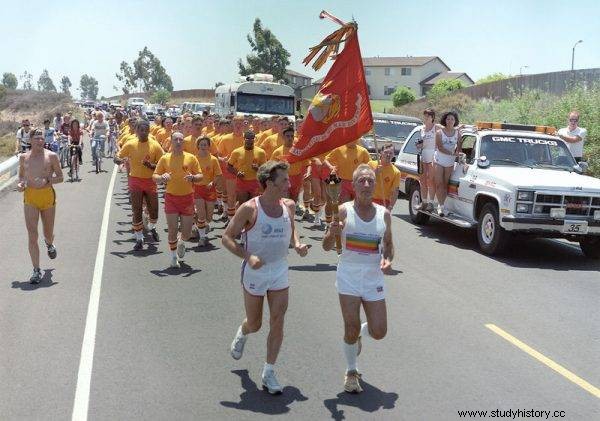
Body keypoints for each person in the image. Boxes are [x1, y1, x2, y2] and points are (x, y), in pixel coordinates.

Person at [222, 160, 308, 395]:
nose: (289, 184)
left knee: (278, 319)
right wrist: (248, 256)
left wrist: (297, 244)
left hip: (279, 270)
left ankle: (269, 371)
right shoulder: (250, 209)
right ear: (269, 183)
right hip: (255, 272)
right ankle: (243, 331)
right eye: (284, 180)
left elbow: (291, 228)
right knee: (256, 323)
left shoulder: (289, 205)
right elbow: (227, 237)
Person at [322, 164, 393, 393]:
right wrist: (331, 234)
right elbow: (325, 246)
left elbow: (390, 247)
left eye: (370, 181)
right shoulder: (342, 211)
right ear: (353, 185)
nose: (366, 185)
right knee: (349, 326)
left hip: (373, 278)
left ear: (374, 185)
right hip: (349, 275)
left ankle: (359, 335)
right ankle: (351, 372)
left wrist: (388, 260)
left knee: (379, 331)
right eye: (361, 181)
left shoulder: (384, 214)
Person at [16, 129, 64, 284]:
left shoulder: (51, 156)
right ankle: (36, 270)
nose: (39, 141)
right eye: (36, 138)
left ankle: (49, 243)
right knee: (32, 235)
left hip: (47, 197)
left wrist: (47, 181)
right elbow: (21, 177)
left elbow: (61, 177)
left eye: (41, 138)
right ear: (30, 140)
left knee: (47, 233)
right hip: (30, 198)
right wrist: (21, 184)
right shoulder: (24, 157)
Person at [153, 132, 202, 268]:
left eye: (181, 139)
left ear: (183, 142)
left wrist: (193, 177)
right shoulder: (165, 158)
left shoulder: (191, 158)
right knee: (172, 229)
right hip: (171, 198)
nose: (179, 142)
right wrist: (162, 177)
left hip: (187, 199)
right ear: (171, 142)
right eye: (176, 140)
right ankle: (173, 257)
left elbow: (200, 175)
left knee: (186, 233)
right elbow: (155, 176)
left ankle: (181, 241)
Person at [115, 120, 163, 250]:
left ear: (149, 131)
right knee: (136, 210)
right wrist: (120, 160)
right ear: (136, 131)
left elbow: (162, 164)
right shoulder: (130, 144)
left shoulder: (155, 146)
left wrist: (150, 165)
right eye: (141, 130)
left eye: (146, 130)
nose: (143, 132)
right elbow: (117, 157)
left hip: (150, 181)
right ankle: (139, 238)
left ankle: (152, 227)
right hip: (135, 180)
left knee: (154, 212)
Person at [193, 136, 223, 246]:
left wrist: (212, 183)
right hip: (197, 188)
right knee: (201, 214)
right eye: (201, 145)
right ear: (198, 146)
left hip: (210, 189)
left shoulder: (213, 160)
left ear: (209, 146)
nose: (203, 147)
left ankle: (203, 224)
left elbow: (218, 175)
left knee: (209, 217)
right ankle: (202, 237)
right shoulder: (194, 159)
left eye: (205, 145)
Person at [270, 127, 309, 203]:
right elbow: (271, 167)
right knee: (285, 201)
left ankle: (291, 214)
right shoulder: (277, 152)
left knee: (293, 201)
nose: (290, 138)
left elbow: (307, 164)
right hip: (283, 179)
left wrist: (308, 172)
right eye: (288, 136)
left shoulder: (299, 151)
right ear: (283, 137)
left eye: (292, 136)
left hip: (297, 179)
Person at [433, 111, 461, 216]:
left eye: (452, 119)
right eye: (448, 119)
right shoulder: (439, 133)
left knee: (445, 184)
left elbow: (459, 149)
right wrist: (452, 153)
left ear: (455, 121)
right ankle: (440, 206)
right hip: (439, 160)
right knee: (439, 183)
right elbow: (440, 147)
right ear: (445, 120)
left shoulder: (458, 134)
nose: (450, 121)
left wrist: (458, 154)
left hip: (450, 162)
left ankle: (442, 205)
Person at [228, 130, 267, 204]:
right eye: (247, 138)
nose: (250, 140)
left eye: (252, 138)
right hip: (242, 181)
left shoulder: (261, 152)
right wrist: (237, 173)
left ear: (254, 139)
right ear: (244, 139)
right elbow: (229, 166)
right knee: (243, 204)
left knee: (254, 205)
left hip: (255, 182)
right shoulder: (237, 152)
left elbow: (265, 168)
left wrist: (258, 169)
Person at [218, 117, 245, 222]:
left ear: (244, 125)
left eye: (240, 123)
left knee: (242, 197)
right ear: (232, 125)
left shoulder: (249, 138)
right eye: (236, 123)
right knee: (231, 195)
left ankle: (240, 218)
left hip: (245, 172)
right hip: (230, 171)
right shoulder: (225, 139)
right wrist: (223, 159)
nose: (238, 125)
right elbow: (218, 155)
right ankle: (230, 219)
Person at [416, 108, 437, 212]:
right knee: (423, 180)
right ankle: (423, 202)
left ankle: (431, 203)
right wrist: (418, 145)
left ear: (432, 117)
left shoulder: (436, 127)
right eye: (425, 116)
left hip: (433, 154)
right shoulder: (422, 129)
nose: (426, 118)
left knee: (431, 180)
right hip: (423, 154)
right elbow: (421, 143)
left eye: (428, 116)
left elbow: (449, 128)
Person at [369, 144, 401, 210]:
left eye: (391, 153)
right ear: (381, 152)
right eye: (386, 152)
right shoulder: (371, 164)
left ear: (393, 155)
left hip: (384, 202)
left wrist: (390, 207)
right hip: (369, 199)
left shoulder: (396, 172)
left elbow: (395, 192)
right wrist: (375, 173)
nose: (388, 155)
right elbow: (363, 181)